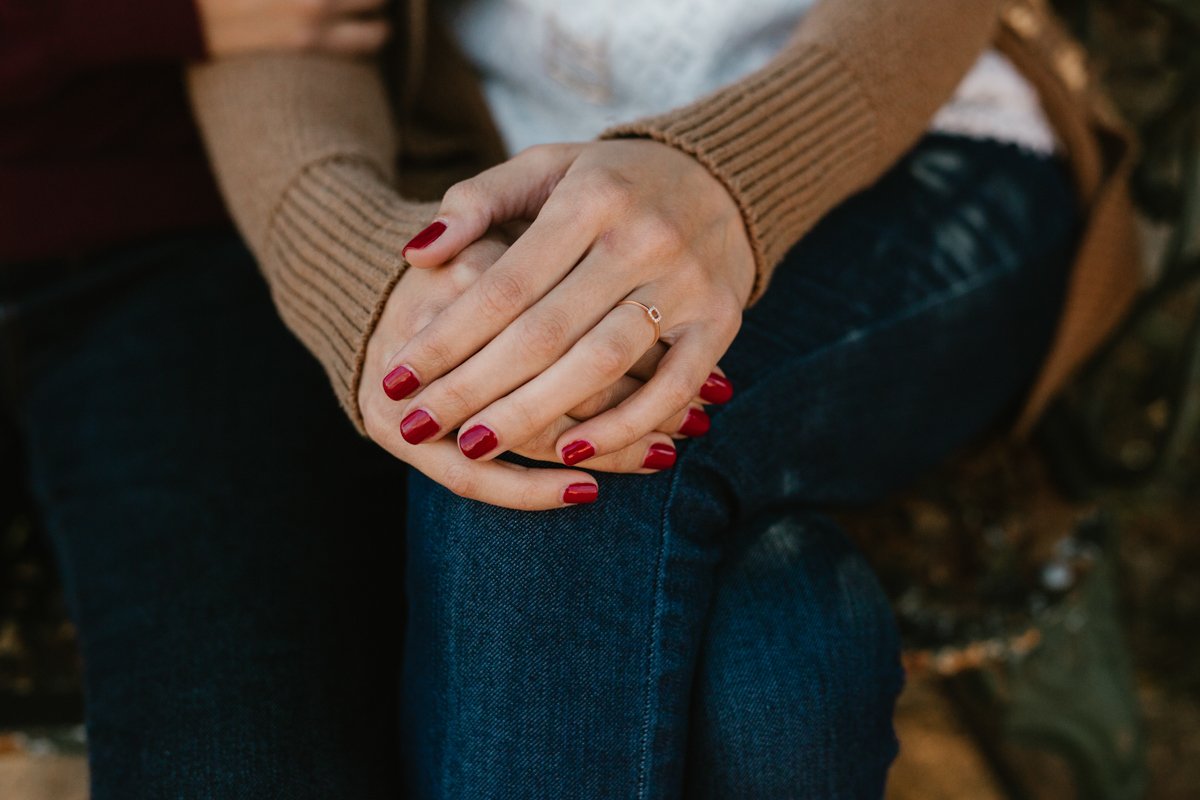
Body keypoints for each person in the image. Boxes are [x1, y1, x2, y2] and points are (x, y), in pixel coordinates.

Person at [5, 0, 1140, 797]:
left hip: (897, 139)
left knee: (572, 428)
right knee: (779, 647)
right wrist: (353, 263)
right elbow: (293, 20)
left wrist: (726, 180)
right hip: (507, 161)